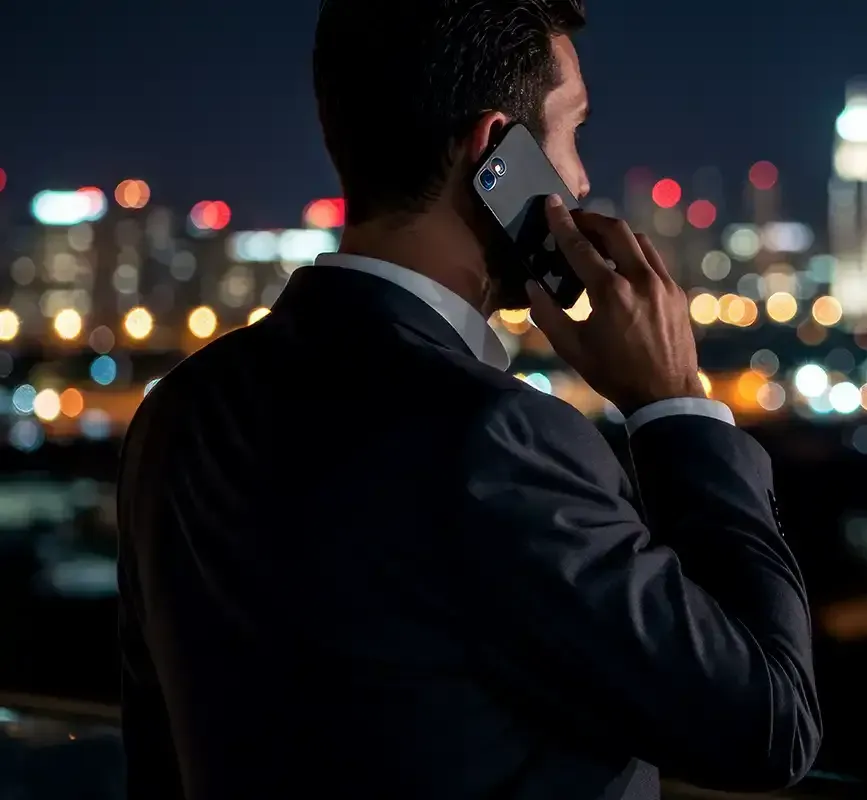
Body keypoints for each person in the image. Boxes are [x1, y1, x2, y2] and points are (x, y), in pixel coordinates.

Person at [115, 1, 821, 797]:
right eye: (570, 131)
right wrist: (673, 410)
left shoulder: (180, 410)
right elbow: (769, 724)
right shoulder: (499, 441)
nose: (581, 177)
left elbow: (157, 755)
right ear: (496, 154)